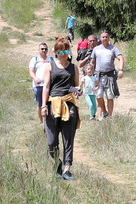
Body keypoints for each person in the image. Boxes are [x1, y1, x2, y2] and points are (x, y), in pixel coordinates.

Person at [40, 36, 81, 179]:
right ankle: (57, 162)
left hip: (68, 105)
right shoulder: (49, 66)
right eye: (60, 51)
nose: (63, 54)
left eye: (65, 51)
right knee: (51, 141)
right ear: (55, 52)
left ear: (69, 51)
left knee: (68, 138)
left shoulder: (74, 68)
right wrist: (44, 105)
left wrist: (77, 91)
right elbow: (46, 87)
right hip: (52, 104)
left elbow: (76, 86)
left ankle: (67, 169)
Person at [91, 30, 124, 118]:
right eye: (103, 37)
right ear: (100, 38)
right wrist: (90, 72)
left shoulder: (113, 48)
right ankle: (104, 111)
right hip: (98, 75)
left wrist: (121, 70)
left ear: (108, 38)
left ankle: (110, 116)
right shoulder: (96, 49)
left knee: (110, 96)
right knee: (99, 95)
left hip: (110, 75)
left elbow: (120, 58)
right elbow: (92, 62)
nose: (105, 38)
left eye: (106, 37)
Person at [29, 42, 52, 113]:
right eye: (42, 49)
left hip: (49, 85)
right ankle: (42, 121)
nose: (44, 50)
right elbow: (31, 71)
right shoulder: (34, 59)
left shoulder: (51, 60)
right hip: (38, 86)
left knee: (49, 103)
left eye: (45, 49)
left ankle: (48, 121)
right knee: (40, 104)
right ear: (38, 50)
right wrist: (35, 78)